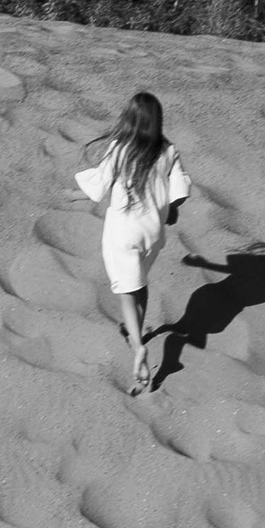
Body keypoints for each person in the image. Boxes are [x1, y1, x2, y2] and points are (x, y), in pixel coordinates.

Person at [75, 89, 191, 397]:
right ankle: (134, 331)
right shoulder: (168, 150)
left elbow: (97, 187)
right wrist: (172, 210)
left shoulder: (120, 148)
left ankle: (138, 348)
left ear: (131, 118)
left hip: (123, 234)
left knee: (126, 292)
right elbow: (179, 192)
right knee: (139, 284)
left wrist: (71, 191)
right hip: (153, 234)